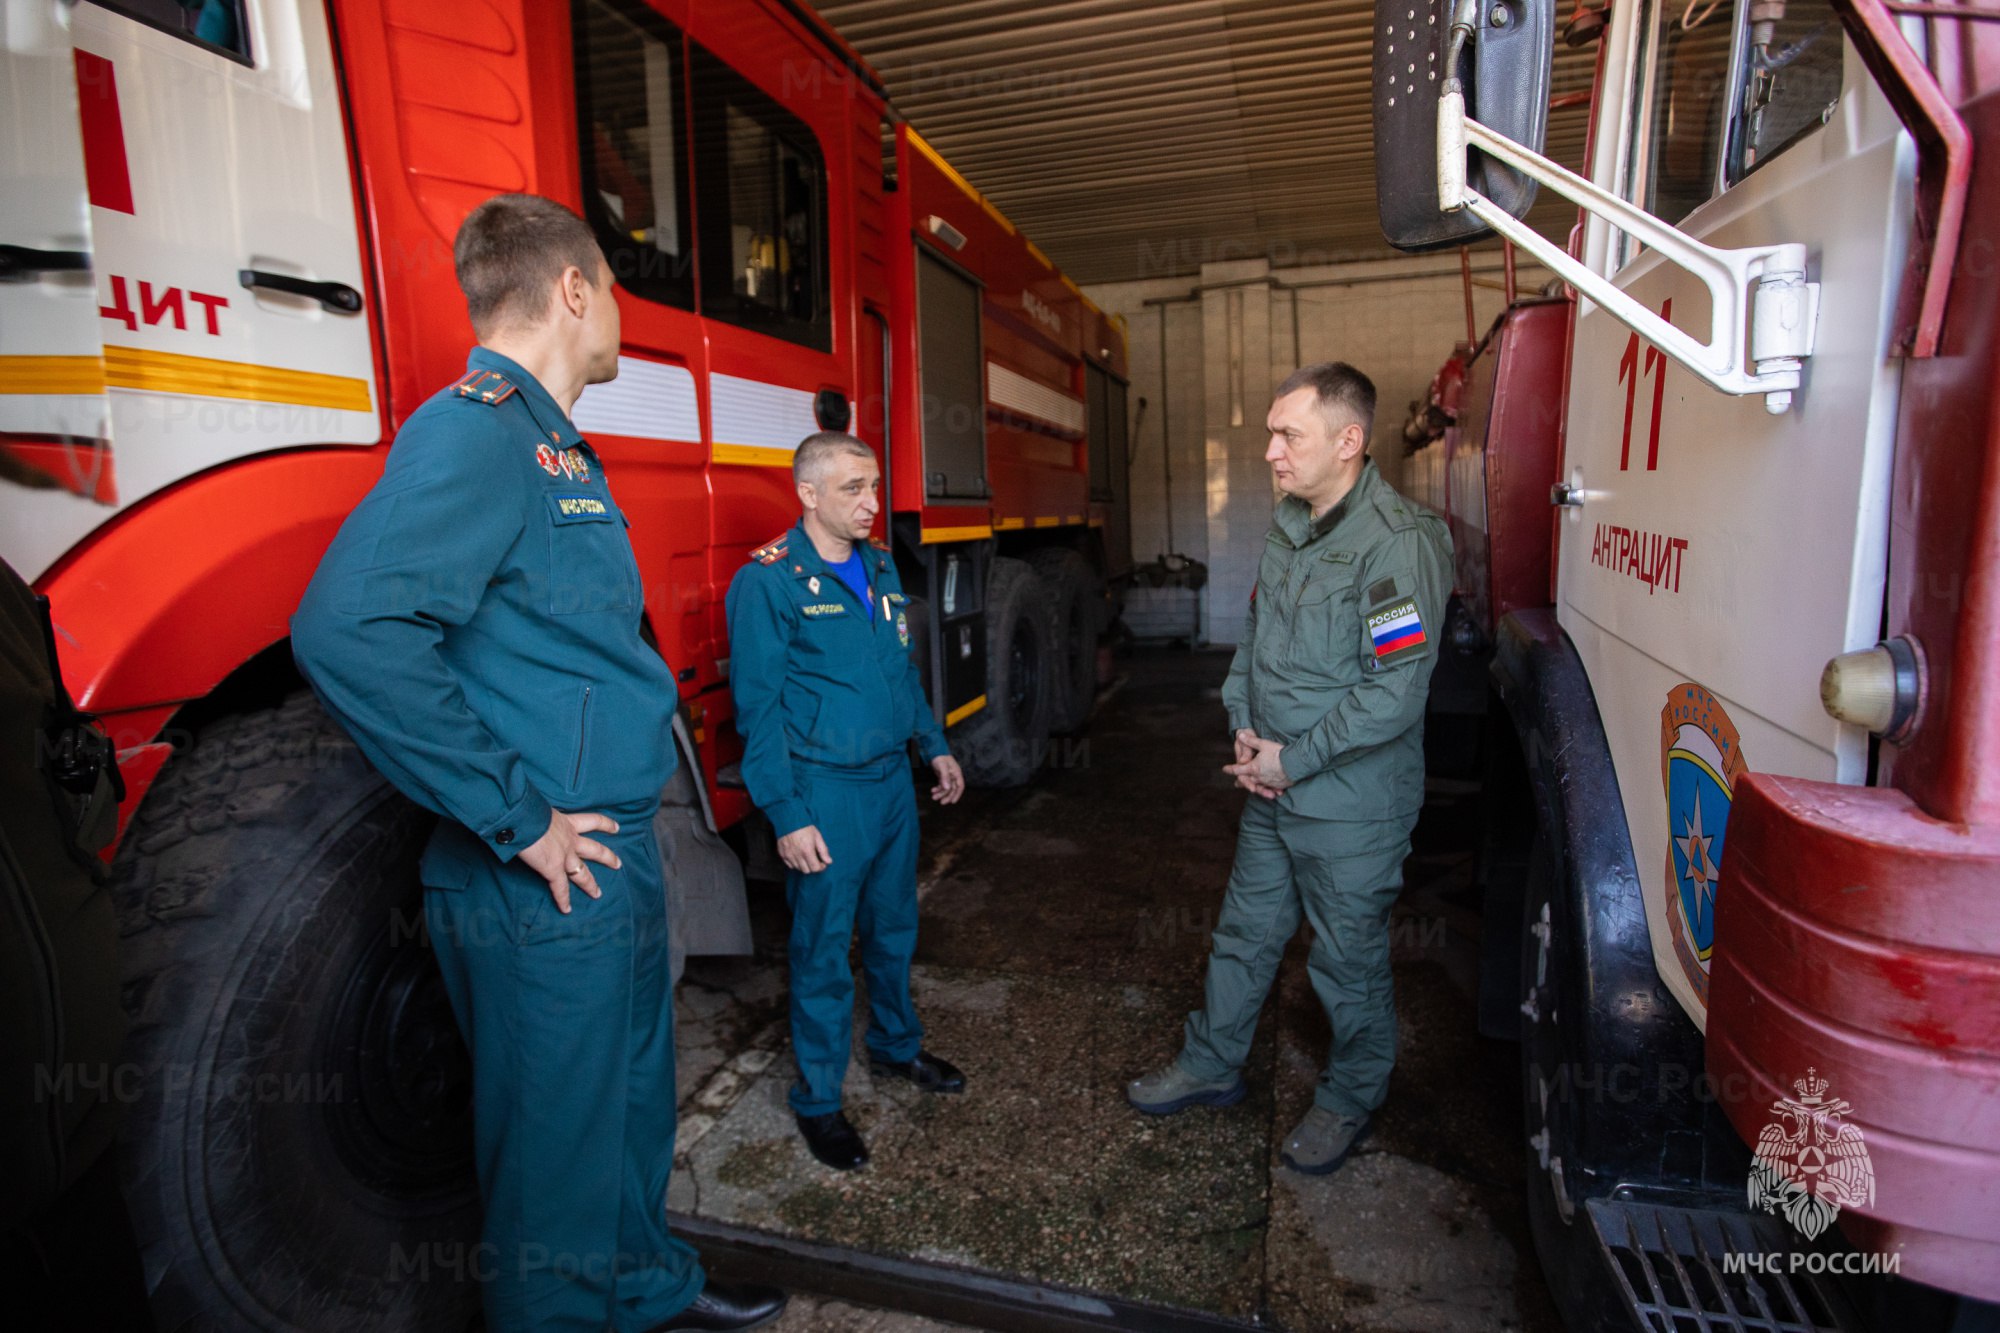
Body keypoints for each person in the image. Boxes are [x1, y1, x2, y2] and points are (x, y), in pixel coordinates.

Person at [292, 193, 783, 1333]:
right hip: (538, 873)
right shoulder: (474, 430)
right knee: (552, 1164)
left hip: (608, 850)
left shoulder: (550, 441)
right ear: (573, 290)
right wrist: (516, 817)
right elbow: (345, 627)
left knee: (621, 1111)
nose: (617, 311)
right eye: (612, 286)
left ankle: (647, 1288)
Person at [1125, 362, 1452, 1176]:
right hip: (1271, 784)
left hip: (1350, 804)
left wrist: (1293, 758)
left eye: (1287, 435)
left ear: (1348, 441)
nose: (1270, 451)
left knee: (1346, 960)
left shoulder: (1398, 545)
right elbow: (1257, 643)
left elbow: (1396, 692)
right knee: (1244, 931)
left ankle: (1349, 1097)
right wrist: (1244, 727)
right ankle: (1210, 1063)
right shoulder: (1289, 525)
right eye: (1271, 434)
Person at [726, 432, 967, 1171]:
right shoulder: (767, 582)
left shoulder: (881, 564)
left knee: (895, 928)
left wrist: (934, 743)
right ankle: (820, 1103)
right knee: (824, 949)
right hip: (825, 791)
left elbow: (900, 671)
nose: (871, 504)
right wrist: (787, 812)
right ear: (807, 494)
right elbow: (757, 710)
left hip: (891, 784)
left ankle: (896, 1048)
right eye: (853, 489)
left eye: (873, 486)